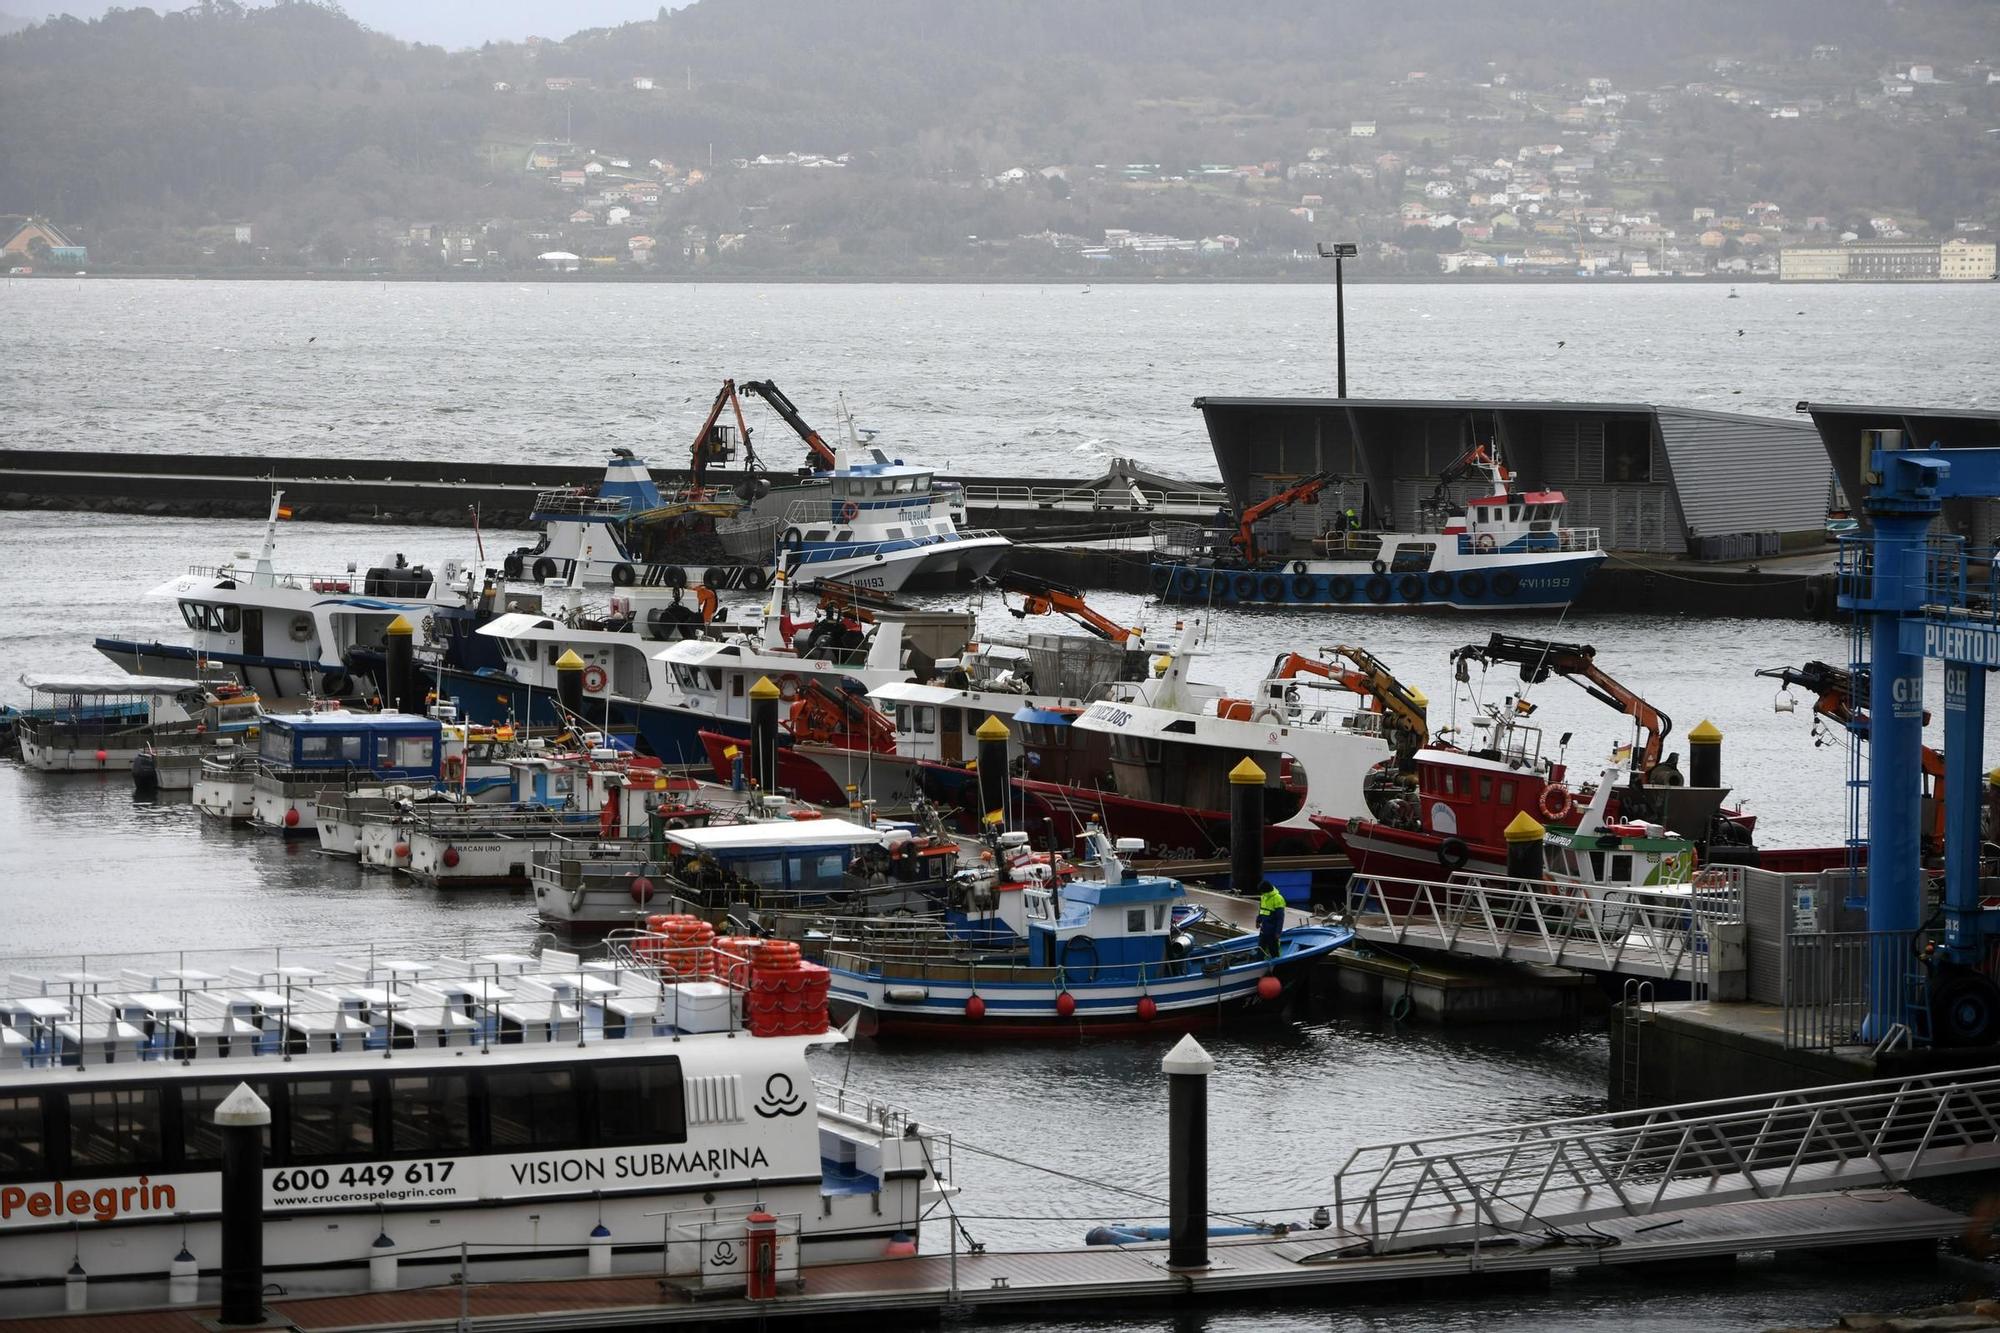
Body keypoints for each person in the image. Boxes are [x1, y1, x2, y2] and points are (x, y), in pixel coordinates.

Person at [1256, 880, 1286, 959]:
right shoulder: (1263, 897)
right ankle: (1259, 964)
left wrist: (1278, 932)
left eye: (1262, 891)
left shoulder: (1278, 898)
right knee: (1260, 950)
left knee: (1274, 951)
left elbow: (1280, 918)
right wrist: (1258, 920)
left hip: (1272, 931)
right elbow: (1261, 910)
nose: (1261, 893)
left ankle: (1276, 964)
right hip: (1263, 929)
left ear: (1266, 890)